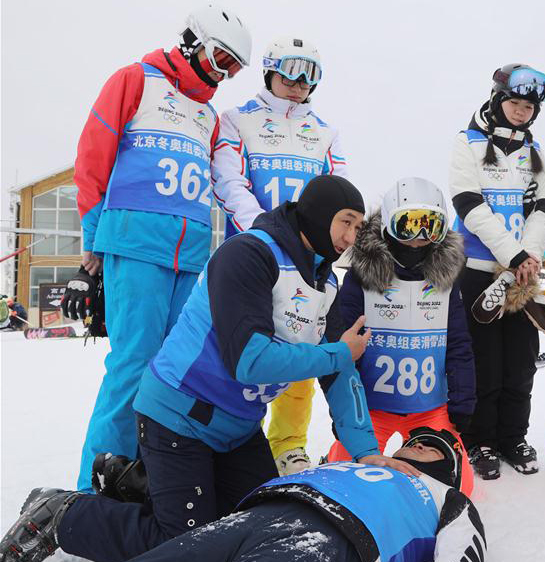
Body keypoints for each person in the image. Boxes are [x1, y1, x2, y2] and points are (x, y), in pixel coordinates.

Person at [1, 176, 415, 562]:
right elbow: (250, 360)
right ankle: (64, 514)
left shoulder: (325, 284)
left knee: (263, 527)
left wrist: (366, 452)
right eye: (346, 221)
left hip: (238, 430)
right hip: (179, 418)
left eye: (359, 227)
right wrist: (338, 353)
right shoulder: (250, 254)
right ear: (318, 214)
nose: (350, 237)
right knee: (188, 546)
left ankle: (140, 489)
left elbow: (340, 376)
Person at [59, 4, 252, 493]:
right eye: (219, 59)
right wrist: (92, 244)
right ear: (192, 41)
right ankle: (91, 489)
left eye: (232, 67)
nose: (223, 73)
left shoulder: (207, 114)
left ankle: (146, 479)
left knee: (173, 375)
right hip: (135, 246)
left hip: (188, 259)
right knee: (132, 365)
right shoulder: (135, 80)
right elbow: (92, 157)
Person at [211, 36, 349, 476]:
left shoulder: (326, 132)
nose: (299, 83)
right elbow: (229, 181)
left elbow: (341, 190)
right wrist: (263, 233)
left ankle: (288, 444)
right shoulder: (237, 121)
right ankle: (226, 439)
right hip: (255, 255)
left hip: (309, 261)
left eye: (310, 74)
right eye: (290, 70)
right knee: (239, 348)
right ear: (270, 70)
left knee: (301, 348)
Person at [125, 427, 487, 562]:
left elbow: (462, 550)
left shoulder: (447, 497)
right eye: (414, 441)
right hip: (266, 509)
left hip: (336, 536)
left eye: (433, 447)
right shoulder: (364, 462)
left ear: (450, 470)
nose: (419, 444)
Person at [326, 177, 477, 496]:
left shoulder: (446, 280)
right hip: (372, 408)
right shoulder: (361, 276)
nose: (419, 238)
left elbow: (459, 344)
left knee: (458, 487)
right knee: (344, 485)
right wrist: (344, 410)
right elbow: (341, 343)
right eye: (409, 225)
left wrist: (462, 401)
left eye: (430, 226)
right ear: (389, 225)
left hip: (428, 407)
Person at [450, 63, 545, 480]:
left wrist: (527, 256)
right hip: (479, 272)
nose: (521, 111)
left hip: (522, 275)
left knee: (521, 362)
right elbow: (468, 206)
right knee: (484, 363)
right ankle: (481, 441)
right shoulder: (468, 143)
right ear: (497, 99)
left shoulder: (534, 151)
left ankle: (514, 437)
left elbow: (543, 208)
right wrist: (513, 254)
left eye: (528, 106)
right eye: (514, 102)